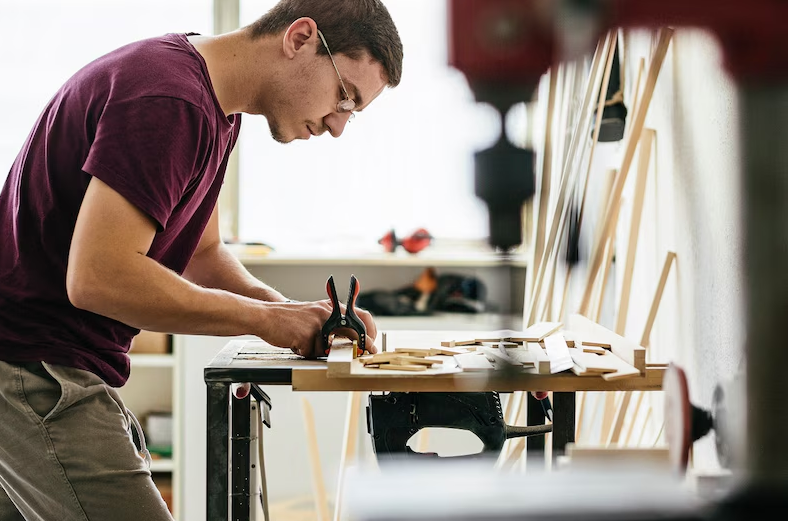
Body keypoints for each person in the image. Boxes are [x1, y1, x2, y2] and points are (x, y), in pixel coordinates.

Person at [0, 0, 402, 519]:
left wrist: (288, 310)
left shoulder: (212, 105)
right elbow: (99, 277)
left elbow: (203, 253)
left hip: (36, 359)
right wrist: (265, 321)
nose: (338, 125)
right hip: (32, 366)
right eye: (344, 98)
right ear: (300, 37)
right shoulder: (170, 99)